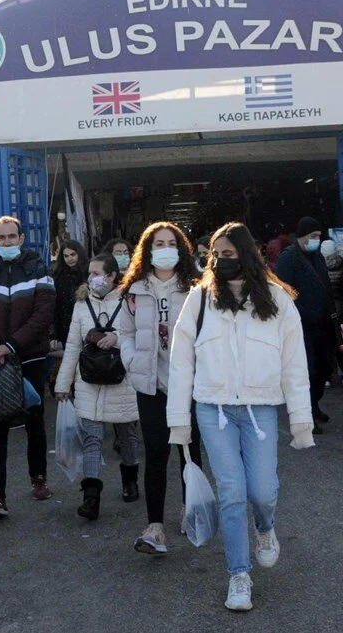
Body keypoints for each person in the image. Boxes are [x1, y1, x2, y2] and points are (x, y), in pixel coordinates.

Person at [167, 222, 315, 611]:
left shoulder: (279, 301)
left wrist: (301, 421)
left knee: (262, 492)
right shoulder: (199, 299)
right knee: (231, 493)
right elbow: (181, 363)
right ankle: (239, 574)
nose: (219, 261)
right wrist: (179, 421)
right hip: (212, 409)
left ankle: (265, 529)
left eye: (228, 254)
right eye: (215, 254)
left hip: (260, 409)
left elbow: (295, 364)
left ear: (248, 255)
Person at [118, 221, 202, 555]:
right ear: (148, 250)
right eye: (158, 243)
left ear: (180, 249)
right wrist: (131, 360)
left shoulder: (196, 288)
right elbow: (125, 332)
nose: (165, 248)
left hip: (189, 383)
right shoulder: (134, 290)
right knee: (155, 452)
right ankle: (155, 527)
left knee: (189, 451)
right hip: (150, 383)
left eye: (171, 243)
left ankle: (189, 510)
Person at [0, 216, 56, 517]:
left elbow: (43, 314)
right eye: (1, 238)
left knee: (34, 419)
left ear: (21, 238)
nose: (7, 242)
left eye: (12, 237)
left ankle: (38, 477)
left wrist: (11, 346)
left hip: (29, 356)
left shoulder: (39, 271)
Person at [54, 254, 140, 520]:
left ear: (113, 275)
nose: (92, 279)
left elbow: (139, 335)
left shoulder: (130, 301)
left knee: (127, 437)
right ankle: (91, 497)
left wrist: (116, 338)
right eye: (90, 274)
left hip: (123, 382)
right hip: (88, 382)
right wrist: (62, 383)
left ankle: (130, 479)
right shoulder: (82, 305)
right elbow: (72, 346)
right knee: (91, 439)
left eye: (97, 273)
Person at [274, 217, 335, 433]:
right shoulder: (288, 259)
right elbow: (284, 293)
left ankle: (314, 404)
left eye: (319, 236)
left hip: (322, 323)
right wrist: (303, 314)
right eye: (313, 237)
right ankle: (305, 414)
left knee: (325, 367)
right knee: (307, 371)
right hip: (302, 326)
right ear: (301, 237)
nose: (316, 240)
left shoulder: (316, 257)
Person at [51, 240, 89, 356]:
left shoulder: (88, 272)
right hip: (65, 324)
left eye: (73, 255)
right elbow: (55, 306)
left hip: (85, 322)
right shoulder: (58, 275)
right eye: (66, 256)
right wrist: (54, 335)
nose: (70, 259)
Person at [320, 239, 343, 382]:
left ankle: (327, 376)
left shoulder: (319, 265)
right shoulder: (342, 263)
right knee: (341, 339)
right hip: (340, 305)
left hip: (325, 306)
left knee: (326, 342)